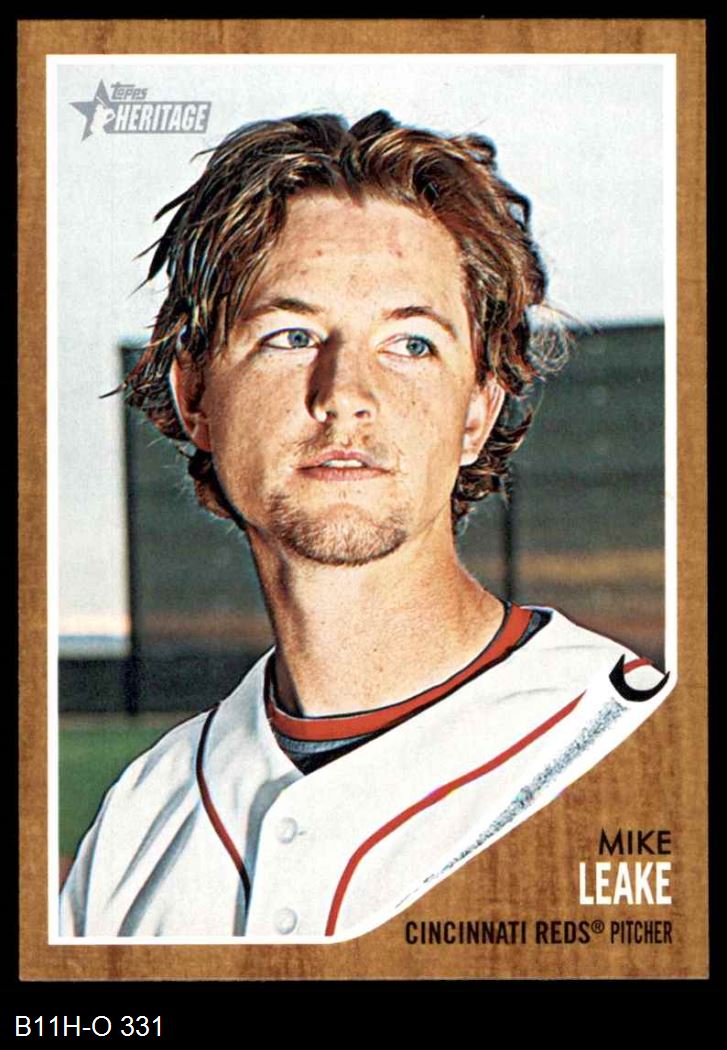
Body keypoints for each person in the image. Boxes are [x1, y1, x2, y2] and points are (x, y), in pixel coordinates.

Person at [60, 111, 671, 940]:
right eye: (290, 335)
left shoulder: (644, 759)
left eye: (410, 344)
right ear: (195, 396)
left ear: (476, 413)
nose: (344, 393)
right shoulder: (141, 823)